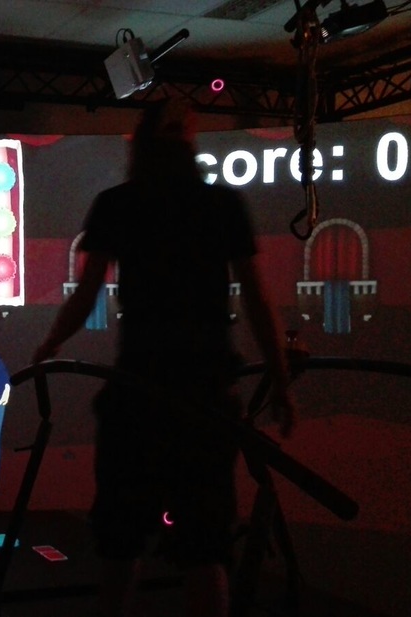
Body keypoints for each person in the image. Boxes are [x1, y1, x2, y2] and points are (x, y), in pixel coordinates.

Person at [33, 98, 297, 617]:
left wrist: (50, 345)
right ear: (186, 141)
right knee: (204, 549)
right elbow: (256, 297)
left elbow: (86, 293)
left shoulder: (118, 203)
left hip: (140, 394)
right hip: (203, 397)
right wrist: (281, 380)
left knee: (122, 545)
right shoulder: (221, 205)